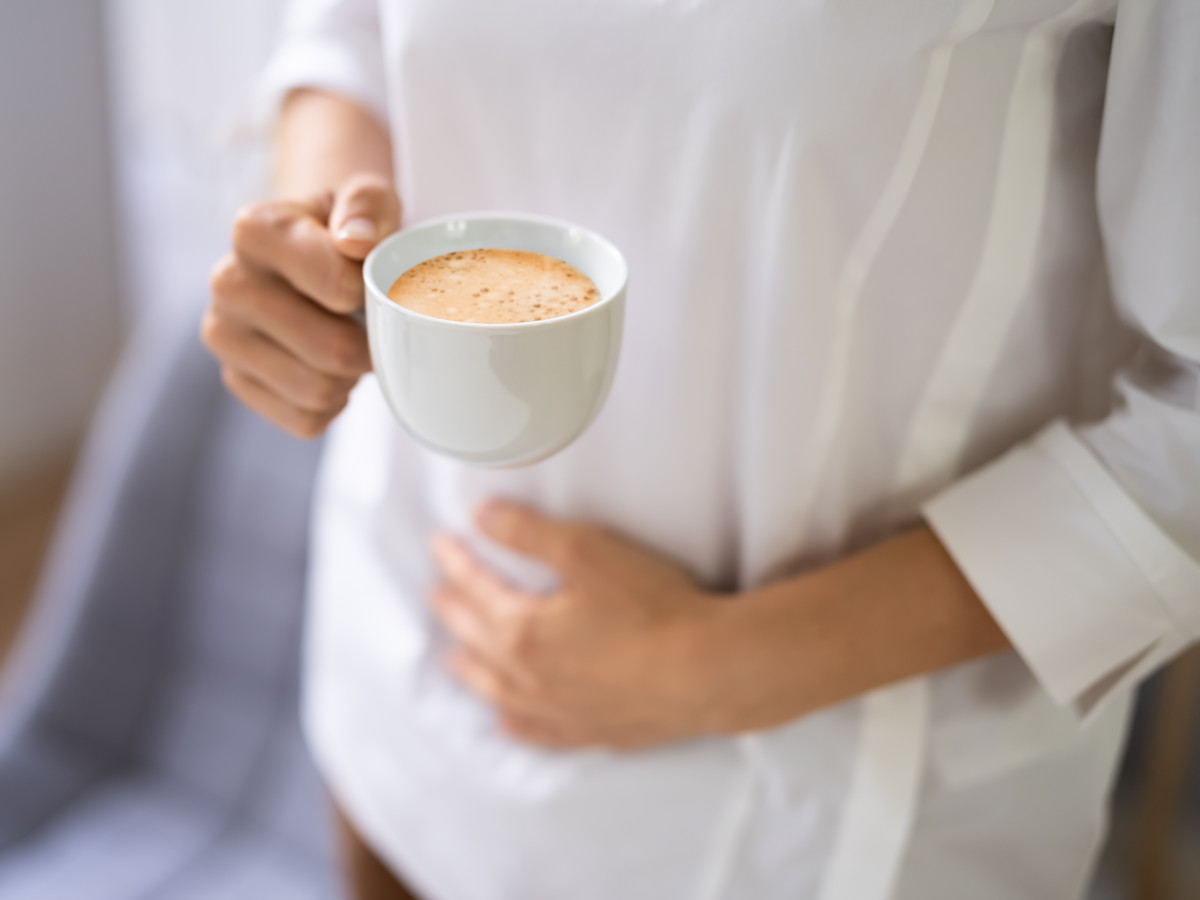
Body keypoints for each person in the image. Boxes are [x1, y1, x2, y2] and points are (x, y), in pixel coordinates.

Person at [200, 1, 1200, 898]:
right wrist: (317, 242)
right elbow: (348, 30)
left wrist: (723, 667)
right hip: (414, 656)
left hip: (806, 798)